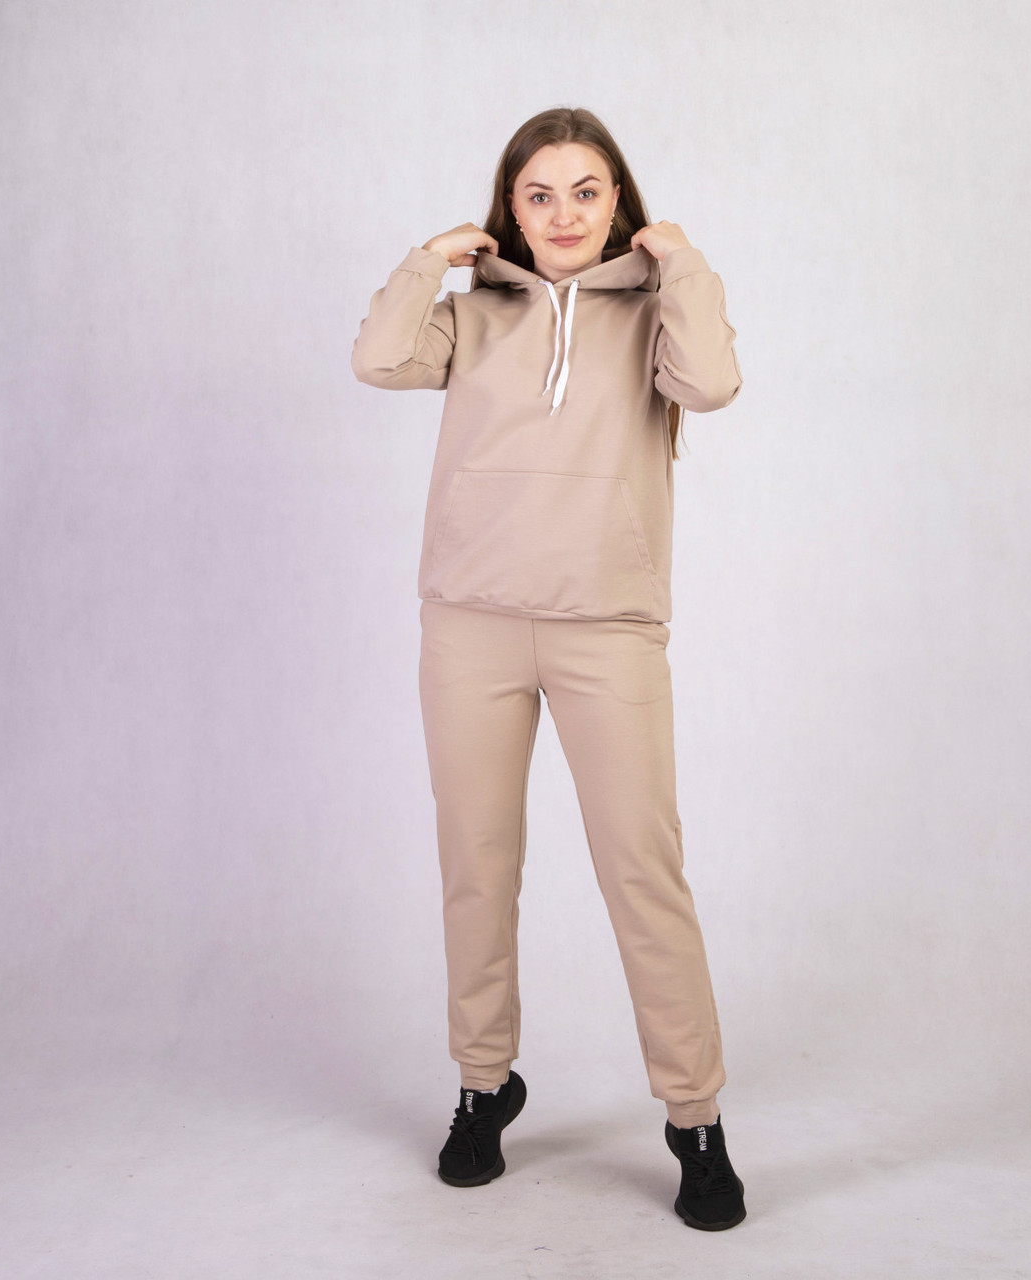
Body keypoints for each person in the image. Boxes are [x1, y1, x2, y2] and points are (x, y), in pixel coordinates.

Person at [351, 106, 746, 1231]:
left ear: (617, 203)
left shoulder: (655, 311)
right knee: (476, 865)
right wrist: (432, 258)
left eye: (585, 190)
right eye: (538, 193)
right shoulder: (473, 316)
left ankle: (694, 1117)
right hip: (469, 624)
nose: (563, 213)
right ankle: (484, 1085)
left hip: (605, 629)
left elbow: (712, 384)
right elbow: (377, 357)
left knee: (643, 872)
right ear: (511, 209)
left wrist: (682, 261)